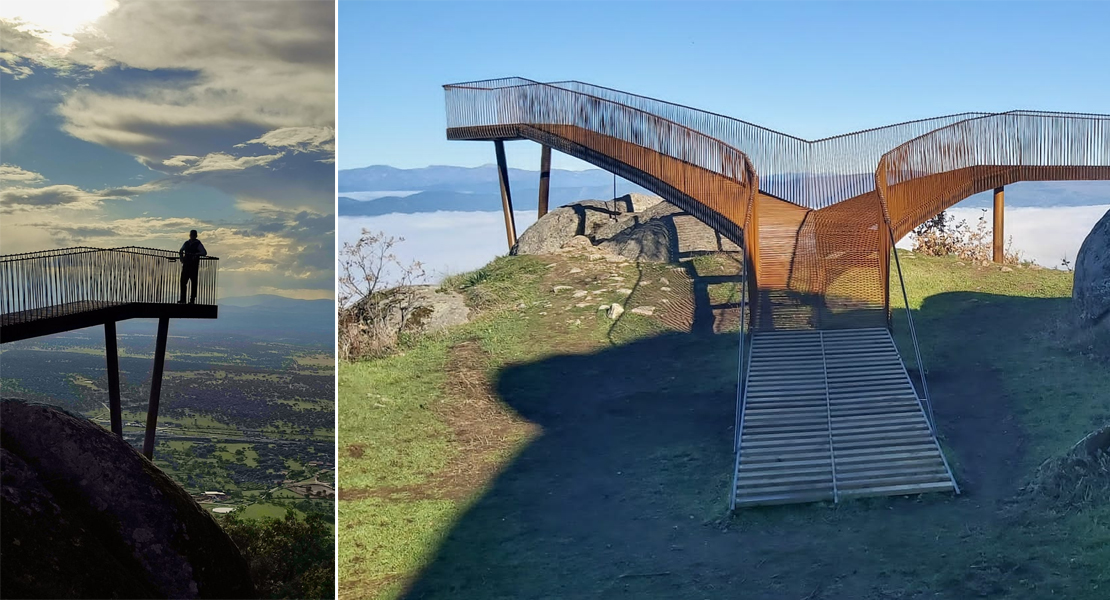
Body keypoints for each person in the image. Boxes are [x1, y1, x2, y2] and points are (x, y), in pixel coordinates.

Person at [178, 230, 207, 304]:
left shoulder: (197, 243)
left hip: (193, 266)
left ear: (195, 236)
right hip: (187, 265)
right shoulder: (187, 243)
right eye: (191, 235)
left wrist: (196, 254)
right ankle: (183, 299)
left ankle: (192, 300)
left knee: (193, 282)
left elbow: (204, 252)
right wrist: (181, 258)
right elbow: (181, 250)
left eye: (193, 235)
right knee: (183, 282)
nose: (192, 236)